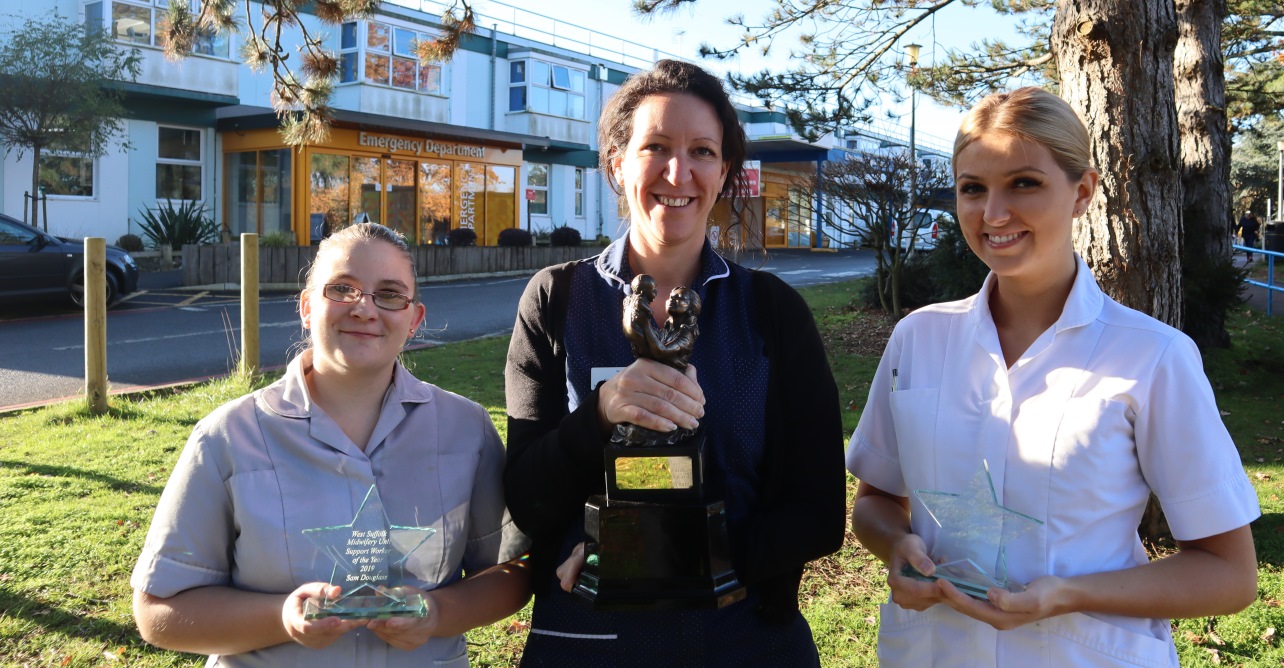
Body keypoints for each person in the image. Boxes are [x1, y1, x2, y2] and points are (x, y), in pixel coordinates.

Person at [846, 87, 1260, 667]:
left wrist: (1065, 596)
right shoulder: (918, 338)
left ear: (1083, 191)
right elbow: (876, 500)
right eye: (973, 189)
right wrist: (896, 547)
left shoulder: (1153, 356)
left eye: (1024, 183)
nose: (993, 214)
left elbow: (1230, 575)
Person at [503, 59, 846, 667]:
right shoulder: (556, 300)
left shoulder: (772, 313)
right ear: (616, 162)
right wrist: (603, 413)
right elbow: (526, 499)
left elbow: (818, 513)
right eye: (655, 146)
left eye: (703, 151)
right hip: (590, 639)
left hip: (745, 638)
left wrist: (650, 551)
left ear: (725, 172)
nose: (677, 172)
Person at [130, 223, 530, 666]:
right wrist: (282, 617)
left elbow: (510, 572)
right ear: (306, 306)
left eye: (390, 294)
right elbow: (156, 613)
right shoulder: (228, 436)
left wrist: (436, 613)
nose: (364, 309)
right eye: (342, 289)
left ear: (414, 319)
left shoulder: (465, 429)